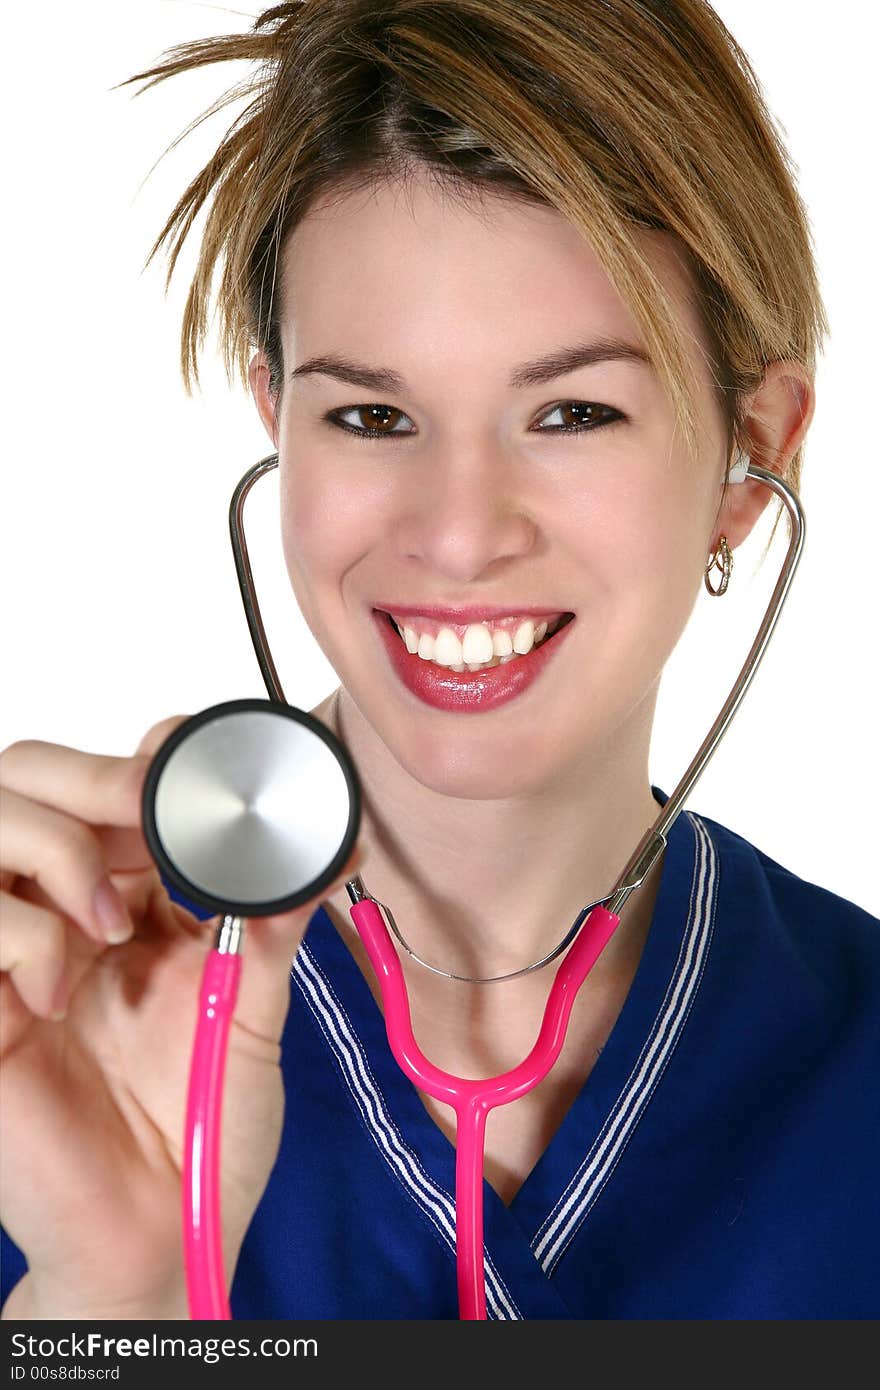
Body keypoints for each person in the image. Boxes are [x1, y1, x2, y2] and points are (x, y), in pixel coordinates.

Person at [1, 0, 877, 1321]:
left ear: (754, 456)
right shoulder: (36, 1027)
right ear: (277, 426)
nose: (459, 534)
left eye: (573, 411)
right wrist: (105, 1297)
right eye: (371, 414)